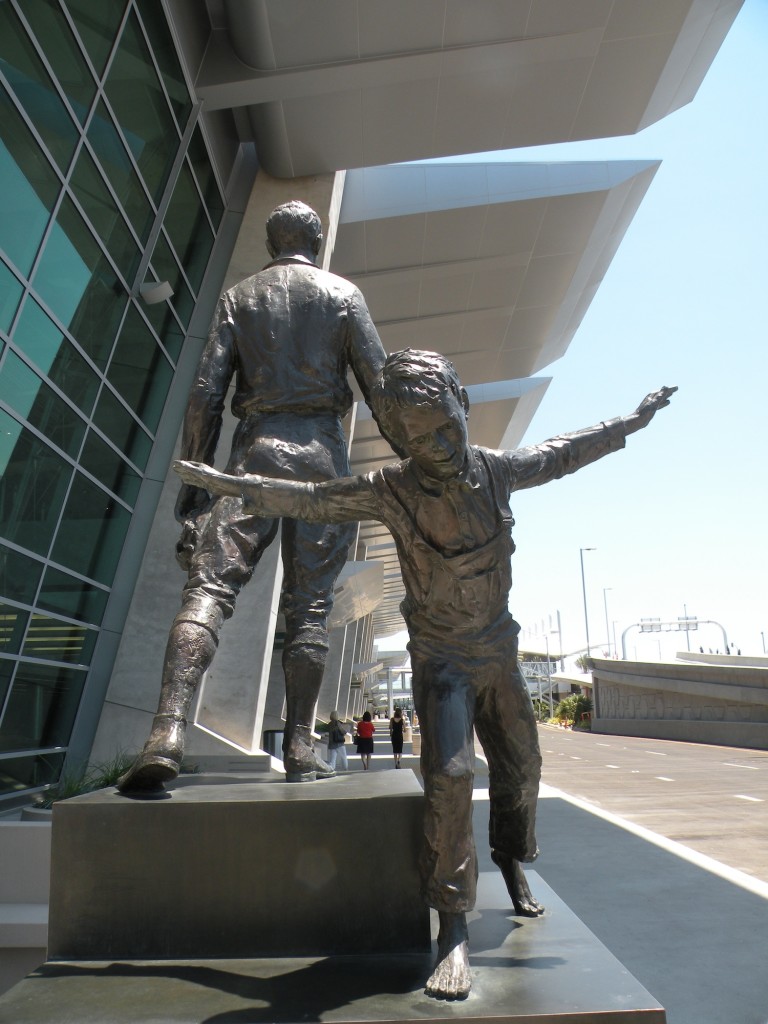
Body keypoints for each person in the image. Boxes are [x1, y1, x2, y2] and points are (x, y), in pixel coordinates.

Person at [174, 349, 676, 999]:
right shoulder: (392, 491)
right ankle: (453, 928)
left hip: (498, 651)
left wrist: (632, 421)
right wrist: (233, 485)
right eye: (416, 438)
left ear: (463, 409)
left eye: (444, 427)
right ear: (398, 440)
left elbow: (566, 450)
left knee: (523, 770)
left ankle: (510, 857)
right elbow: (313, 500)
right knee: (448, 776)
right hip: (441, 663)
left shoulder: (497, 472)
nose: (435, 446)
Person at [117, 201, 388, 794]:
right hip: (321, 461)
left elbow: (205, 395)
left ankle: (166, 734)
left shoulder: (240, 298)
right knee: (310, 609)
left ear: (272, 244)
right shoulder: (342, 295)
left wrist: (195, 483)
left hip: (253, 456)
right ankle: (298, 744)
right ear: (315, 242)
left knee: (207, 590)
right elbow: (383, 391)